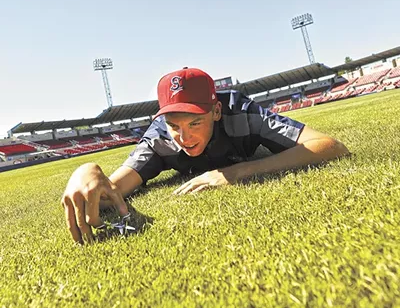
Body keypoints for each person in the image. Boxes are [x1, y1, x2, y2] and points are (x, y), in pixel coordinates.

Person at [62, 67, 350, 244]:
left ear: (216, 111)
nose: (184, 138)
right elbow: (112, 191)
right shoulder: (158, 137)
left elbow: (330, 146)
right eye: (174, 125)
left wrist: (238, 173)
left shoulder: (243, 112)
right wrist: (86, 170)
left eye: (195, 123)